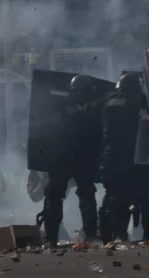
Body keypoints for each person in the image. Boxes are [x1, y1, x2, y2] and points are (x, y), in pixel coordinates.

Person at [41, 76, 105, 246]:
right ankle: (90, 235)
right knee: (86, 195)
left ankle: (51, 238)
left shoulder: (60, 106)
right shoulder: (92, 108)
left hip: (61, 159)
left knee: (55, 197)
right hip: (83, 158)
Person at [98, 74, 146, 242]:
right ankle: (120, 233)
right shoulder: (136, 102)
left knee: (111, 193)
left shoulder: (108, 102)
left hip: (110, 153)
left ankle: (106, 233)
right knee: (127, 195)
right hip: (130, 154)